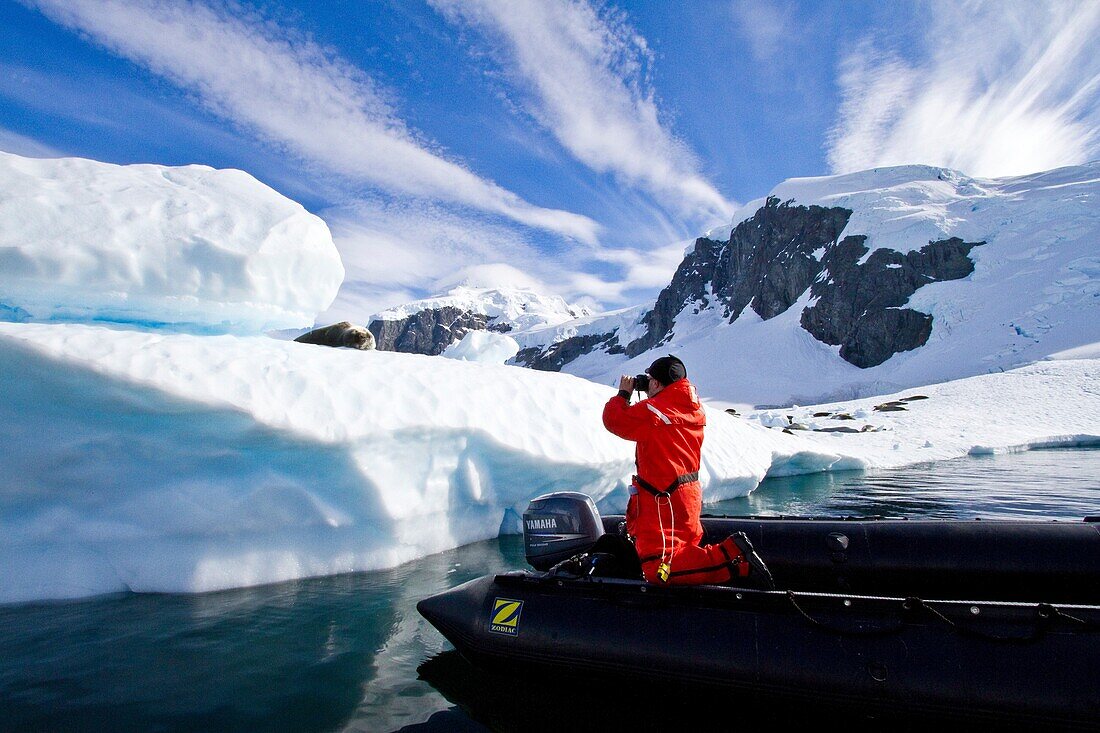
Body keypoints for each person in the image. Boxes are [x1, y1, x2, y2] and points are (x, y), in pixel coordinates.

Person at [602, 355, 773, 587]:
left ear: (655, 383)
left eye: (651, 379)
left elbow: (614, 420)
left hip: (662, 500)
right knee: (685, 549)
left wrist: (624, 394)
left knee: (658, 567)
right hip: (686, 495)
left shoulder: (655, 411)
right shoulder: (692, 408)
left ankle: (734, 558)